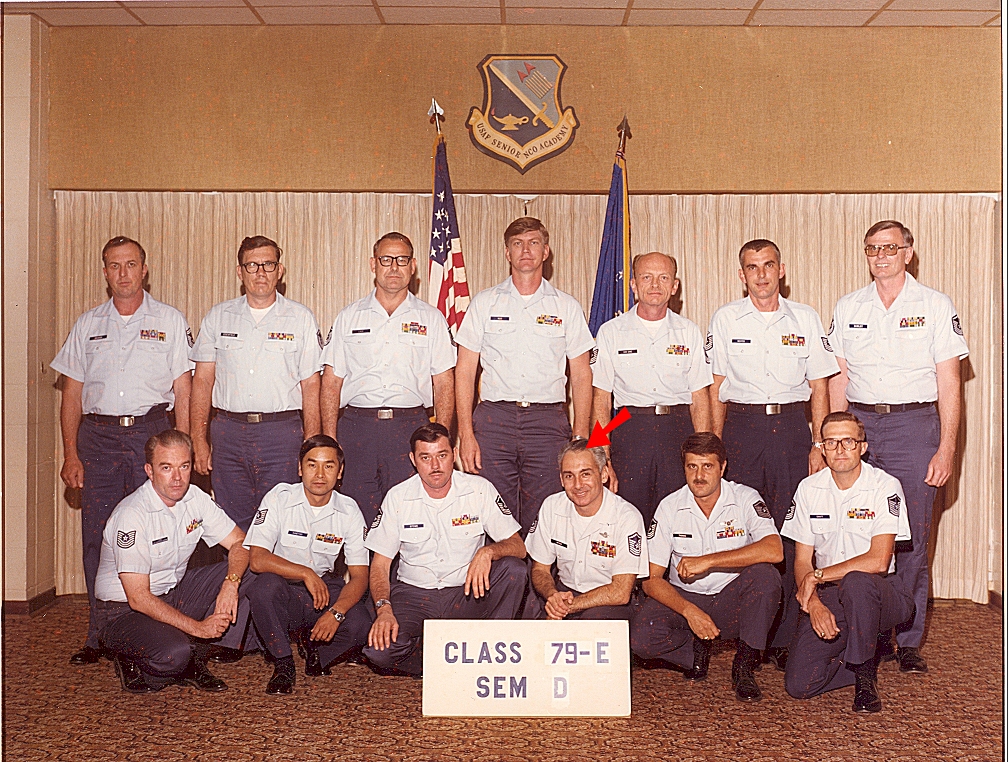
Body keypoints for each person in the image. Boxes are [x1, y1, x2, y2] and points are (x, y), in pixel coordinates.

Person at [828, 220, 968, 674]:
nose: (881, 256)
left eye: (890, 247)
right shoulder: (849, 306)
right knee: (854, 528)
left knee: (910, 538)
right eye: (872, 248)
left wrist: (947, 448)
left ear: (909, 252)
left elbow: (950, 383)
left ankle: (906, 639)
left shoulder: (934, 305)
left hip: (914, 426)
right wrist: (831, 437)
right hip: (860, 423)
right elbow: (839, 380)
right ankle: (862, 630)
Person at [51, 235, 193, 667]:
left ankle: (160, 626)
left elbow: (183, 390)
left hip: (152, 433)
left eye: (131, 264)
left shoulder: (169, 320)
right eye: (114, 266)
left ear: (144, 269)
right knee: (100, 536)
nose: (123, 273)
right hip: (99, 438)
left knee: (157, 533)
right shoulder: (87, 324)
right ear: (105, 271)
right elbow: (71, 395)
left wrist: (182, 450)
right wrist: (71, 453)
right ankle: (100, 633)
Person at [707, 238, 838, 669]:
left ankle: (783, 638)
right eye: (751, 267)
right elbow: (716, 389)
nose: (761, 274)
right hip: (742, 428)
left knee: (788, 529)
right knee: (743, 528)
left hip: (790, 430)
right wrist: (715, 449)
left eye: (768, 265)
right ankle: (748, 637)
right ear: (740, 274)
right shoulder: (726, 319)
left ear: (781, 270)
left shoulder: (805, 317)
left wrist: (818, 443)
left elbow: (819, 387)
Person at [455, 217, 595, 536]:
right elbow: (464, 373)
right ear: (507, 253)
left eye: (533, 243)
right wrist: (465, 433)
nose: (525, 250)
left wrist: (581, 433)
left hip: (547, 423)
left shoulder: (566, 307)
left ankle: (538, 586)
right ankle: (500, 585)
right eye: (517, 244)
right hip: (494, 421)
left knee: (545, 512)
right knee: (492, 510)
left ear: (546, 251)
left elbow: (582, 375)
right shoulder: (484, 303)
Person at [93, 429, 251, 693]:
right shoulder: (132, 514)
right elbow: (138, 598)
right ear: (149, 470)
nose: (177, 478)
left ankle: (197, 654)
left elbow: (240, 542)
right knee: (172, 656)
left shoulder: (196, 498)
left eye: (184, 466)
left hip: (173, 593)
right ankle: (142, 656)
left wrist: (230, 584)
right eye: (166, 467)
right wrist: (199, 628)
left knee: (253, 570)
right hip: (122, 611)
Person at [363, 423, 527, 676]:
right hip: (414, 594)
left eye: (442, 455)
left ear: (455, 453)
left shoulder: (479, 489)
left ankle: (492, 645)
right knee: (379, 652)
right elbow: (380, 565)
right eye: (425, 457)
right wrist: (384, 610)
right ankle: (446, 661)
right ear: (413, 460)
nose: (435, 465)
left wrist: (487, 552)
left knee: (513, 569)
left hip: (466, 593)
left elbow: (518, 546)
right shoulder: (398, 497)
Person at [630, 432, 782, 702]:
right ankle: (694, 653)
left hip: (731, 599)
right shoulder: (669, 506)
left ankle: (745, 665)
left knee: (765, 577)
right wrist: (690, 612)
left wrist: (710, 560)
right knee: (640, 636)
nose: (699, 475)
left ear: (722, 467)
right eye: (692, 466)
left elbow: (775, 550)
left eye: (708, 466)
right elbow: (651, 579)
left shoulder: (745, 498)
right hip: (686, 598)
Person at [320, 232, 456, 526]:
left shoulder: (431, 319)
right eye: (386, 259)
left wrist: (442, 435)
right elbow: (331, 382)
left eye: (401, 259)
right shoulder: (349, 317)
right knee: (356, 515)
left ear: (413, 266)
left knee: (408, 516)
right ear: (373, 264)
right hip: (358, 429)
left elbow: (444, 382)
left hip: (410, 428)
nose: (393, 267)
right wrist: (330, 439)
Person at [783, 411, 914, 713]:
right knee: (800, 685)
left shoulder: (885, 486)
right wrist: (813, 602)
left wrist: (816, 576)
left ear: (862, 447)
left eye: (848, 441)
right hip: (831, 593)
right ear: (822, 448)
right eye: (831, 442)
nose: (840, 449)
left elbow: (879, 560)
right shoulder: (809, 489)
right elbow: (802, 560)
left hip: (882, 593)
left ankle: (865, 681)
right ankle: (868, 647)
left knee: (856, 581)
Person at [190, 235, 322, 531]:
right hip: (228, 434)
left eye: (268, 264)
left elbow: (311, 387)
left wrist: (310, 447)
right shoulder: (218, 317)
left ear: (280, 270)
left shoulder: (300, 318)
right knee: (231, 525)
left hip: (281, 435)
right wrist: (198, 440)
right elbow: (201, 382)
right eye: (252, 265)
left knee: (281, 523)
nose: (261, 273)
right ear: (240, 271)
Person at [591, 251, 712, 528]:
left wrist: (703, 448)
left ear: (674, 286)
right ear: (633, 284)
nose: (655, 285)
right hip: (628, 425)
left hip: (677, 427)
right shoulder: (611, 332)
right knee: (629, 512)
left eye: (663, 278)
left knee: (678, 512)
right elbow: (601, 398)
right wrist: (602, 453)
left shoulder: (688, 331)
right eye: (647, 277)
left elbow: (699, 398)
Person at [243, 435, 372, 694]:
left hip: (323, 591)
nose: (320, 474)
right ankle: (283, 663)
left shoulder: (349, 510)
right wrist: (304, 573)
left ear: (340, 471)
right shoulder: (279, 497)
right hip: (284, 589)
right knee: (263, 588)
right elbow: (257, 559)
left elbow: (360, 576)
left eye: (329, 465)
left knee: (361, 625)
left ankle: (317, 651)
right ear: (300, 469)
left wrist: (335, 614)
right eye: (312, 465)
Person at [526, 438, 649, 620]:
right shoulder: (551, 506)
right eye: (569, 476)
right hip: (563, 594)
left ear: (604, 474)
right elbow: (540, 570)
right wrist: (552, 596)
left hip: (607, 602)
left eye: (585, 474)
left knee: (589, 626)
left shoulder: (627, 516)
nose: (577, 485)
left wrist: (567, 606)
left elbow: (620, 592)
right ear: (561, 479)